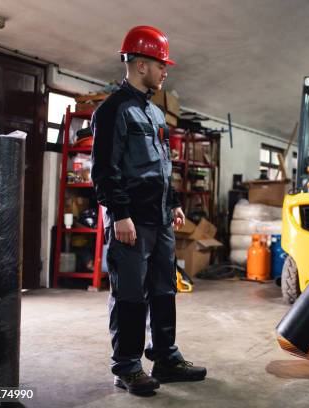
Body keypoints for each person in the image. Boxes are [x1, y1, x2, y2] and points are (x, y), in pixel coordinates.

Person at [91, 25, 206, 395]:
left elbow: (162, 166)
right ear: (141, 64)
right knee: (129, 295)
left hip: (160, 220)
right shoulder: (113, 111)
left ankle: (166, 358)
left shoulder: (155, 115)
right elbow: (104, 171)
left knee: (163, 291)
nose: (165, 71)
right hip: (132, 222)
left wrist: (172, 204)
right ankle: (126, 366)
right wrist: (120, 214)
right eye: (161, 64)